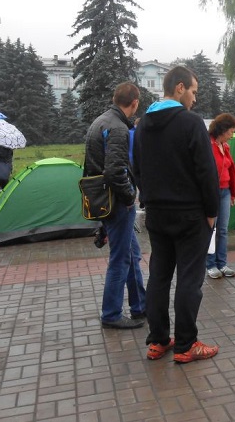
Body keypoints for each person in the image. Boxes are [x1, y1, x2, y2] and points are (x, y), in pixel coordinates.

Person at [132, 65, 220, 363]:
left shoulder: (143, 124)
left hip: (157, 213)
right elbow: (206, 171)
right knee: (189, 280)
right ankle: (186, 344)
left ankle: (158, 340)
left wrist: (150, 198)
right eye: (193, 91)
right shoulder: (190, 123)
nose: (194, 99)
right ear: (180, 88)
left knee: (158, 276)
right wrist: (211, 212)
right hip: (189, 215)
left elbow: (137, 168)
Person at [84, 81, 146, 330]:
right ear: (135, 103)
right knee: (120, 259)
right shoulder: (119, 128)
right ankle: (111, 313)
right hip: (118, 203)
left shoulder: (99, 122)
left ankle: (140, 306)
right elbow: (114, 171)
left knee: (132, 254)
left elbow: (92, 166)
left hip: (104, 200)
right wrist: (130, 198)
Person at [206, 113, 235, 280]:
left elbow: (230, 170)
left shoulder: (225, 147)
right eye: (230, 132)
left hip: (225, 191)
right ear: (223, 129)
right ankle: (210, 264)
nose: (232, 135)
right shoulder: (207, 145)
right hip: (211, 193)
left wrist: (232, 193)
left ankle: (222, 263)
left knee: (223, 230)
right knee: (211, 229)